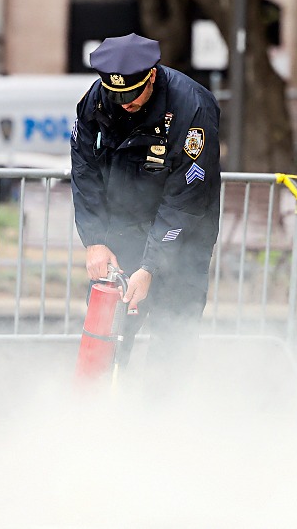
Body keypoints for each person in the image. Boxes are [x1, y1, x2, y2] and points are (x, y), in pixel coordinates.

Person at [70, 33, 221, 379]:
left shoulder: (192, 108)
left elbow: (185, 197)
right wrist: (95, 239)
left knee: (173, 337)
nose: (124, 103)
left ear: (151, 75)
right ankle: (95, 406)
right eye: (116, 94)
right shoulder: (97, 99)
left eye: (131, 94)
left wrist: (150, 265)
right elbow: (84, 170)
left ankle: (160, 409)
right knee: (107, 333)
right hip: (123, 229)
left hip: (184, 235)